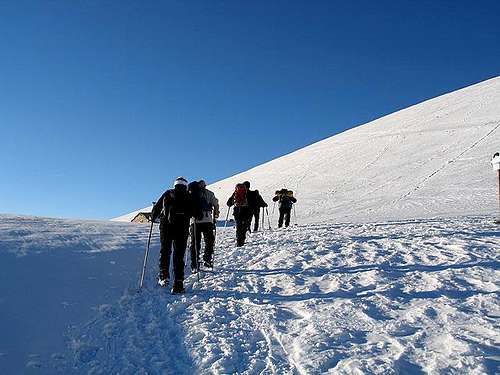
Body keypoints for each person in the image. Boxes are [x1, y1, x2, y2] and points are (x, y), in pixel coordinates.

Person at [151, 177, 194, 294]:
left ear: (175, 185)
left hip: (166, 227)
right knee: (178, 255)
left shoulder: (168, 193)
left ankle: (163, 276)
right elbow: (198, 214)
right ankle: (178, 284)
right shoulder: (189, 196)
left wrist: (153, 216)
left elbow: (155, 210)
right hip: (182, 228)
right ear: (186, 185)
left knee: (165, 251)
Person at [189, 180, 219, 270]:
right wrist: (216, 214)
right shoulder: (209, 193)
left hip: (194, 222)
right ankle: (207, 259)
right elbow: (215, 204)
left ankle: (194, 264)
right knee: (209, 241)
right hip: (207, 220)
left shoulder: (191, 193)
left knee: (195, 243)